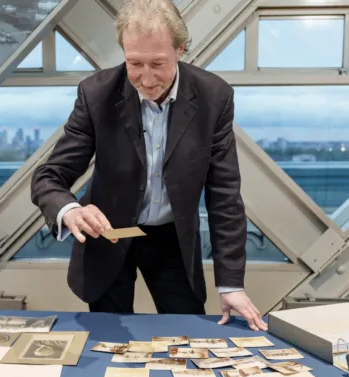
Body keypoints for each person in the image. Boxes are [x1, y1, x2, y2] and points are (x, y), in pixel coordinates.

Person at [30, 0, 266, 331]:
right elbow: (49, 177)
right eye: (134, 63)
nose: (146, 78)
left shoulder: (214, 97)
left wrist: (231, 285)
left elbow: (224, 195)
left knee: (188, 334)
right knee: (109, 339)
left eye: (158, 63)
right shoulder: (96, 94)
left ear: (180, 49)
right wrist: (70, 210)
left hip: (173, 239)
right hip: (109, 235)